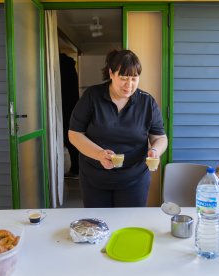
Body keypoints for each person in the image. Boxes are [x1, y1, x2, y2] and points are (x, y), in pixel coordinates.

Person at [68, 49, 168, 208]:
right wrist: (98, 154)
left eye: (134, 78)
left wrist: (155, 150)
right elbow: (74, 134)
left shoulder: (147, 102)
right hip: (95, 177)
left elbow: (160, 137)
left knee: (130, 225)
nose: (129, 85)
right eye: (123, 78)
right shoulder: (92, 96)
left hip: (134, 179)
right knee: (99, 226)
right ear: (111, 74)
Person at [60, 53, 80, 177]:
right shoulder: (70, 67)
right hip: (72, 106)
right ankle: (75, 168)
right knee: (71, 141)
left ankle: (75, 168)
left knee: (69, 140)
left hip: (65, 107)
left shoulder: (63, 67)